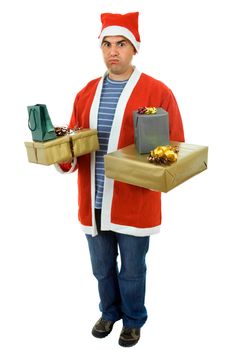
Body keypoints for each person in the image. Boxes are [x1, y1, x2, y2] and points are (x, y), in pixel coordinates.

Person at [55, 12, 185, 347]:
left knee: (132, 270)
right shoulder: (86, 93)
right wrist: (61, 155)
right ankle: (109, 313)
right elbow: (74, 144)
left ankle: (133, 320)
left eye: (121, 44)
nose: (113, 51)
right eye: (107, 44)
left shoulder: (158, 91)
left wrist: (161, 166)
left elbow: (176, 146)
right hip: (94, 200)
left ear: (134, 49)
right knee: (101, 268)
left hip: (134, 201)